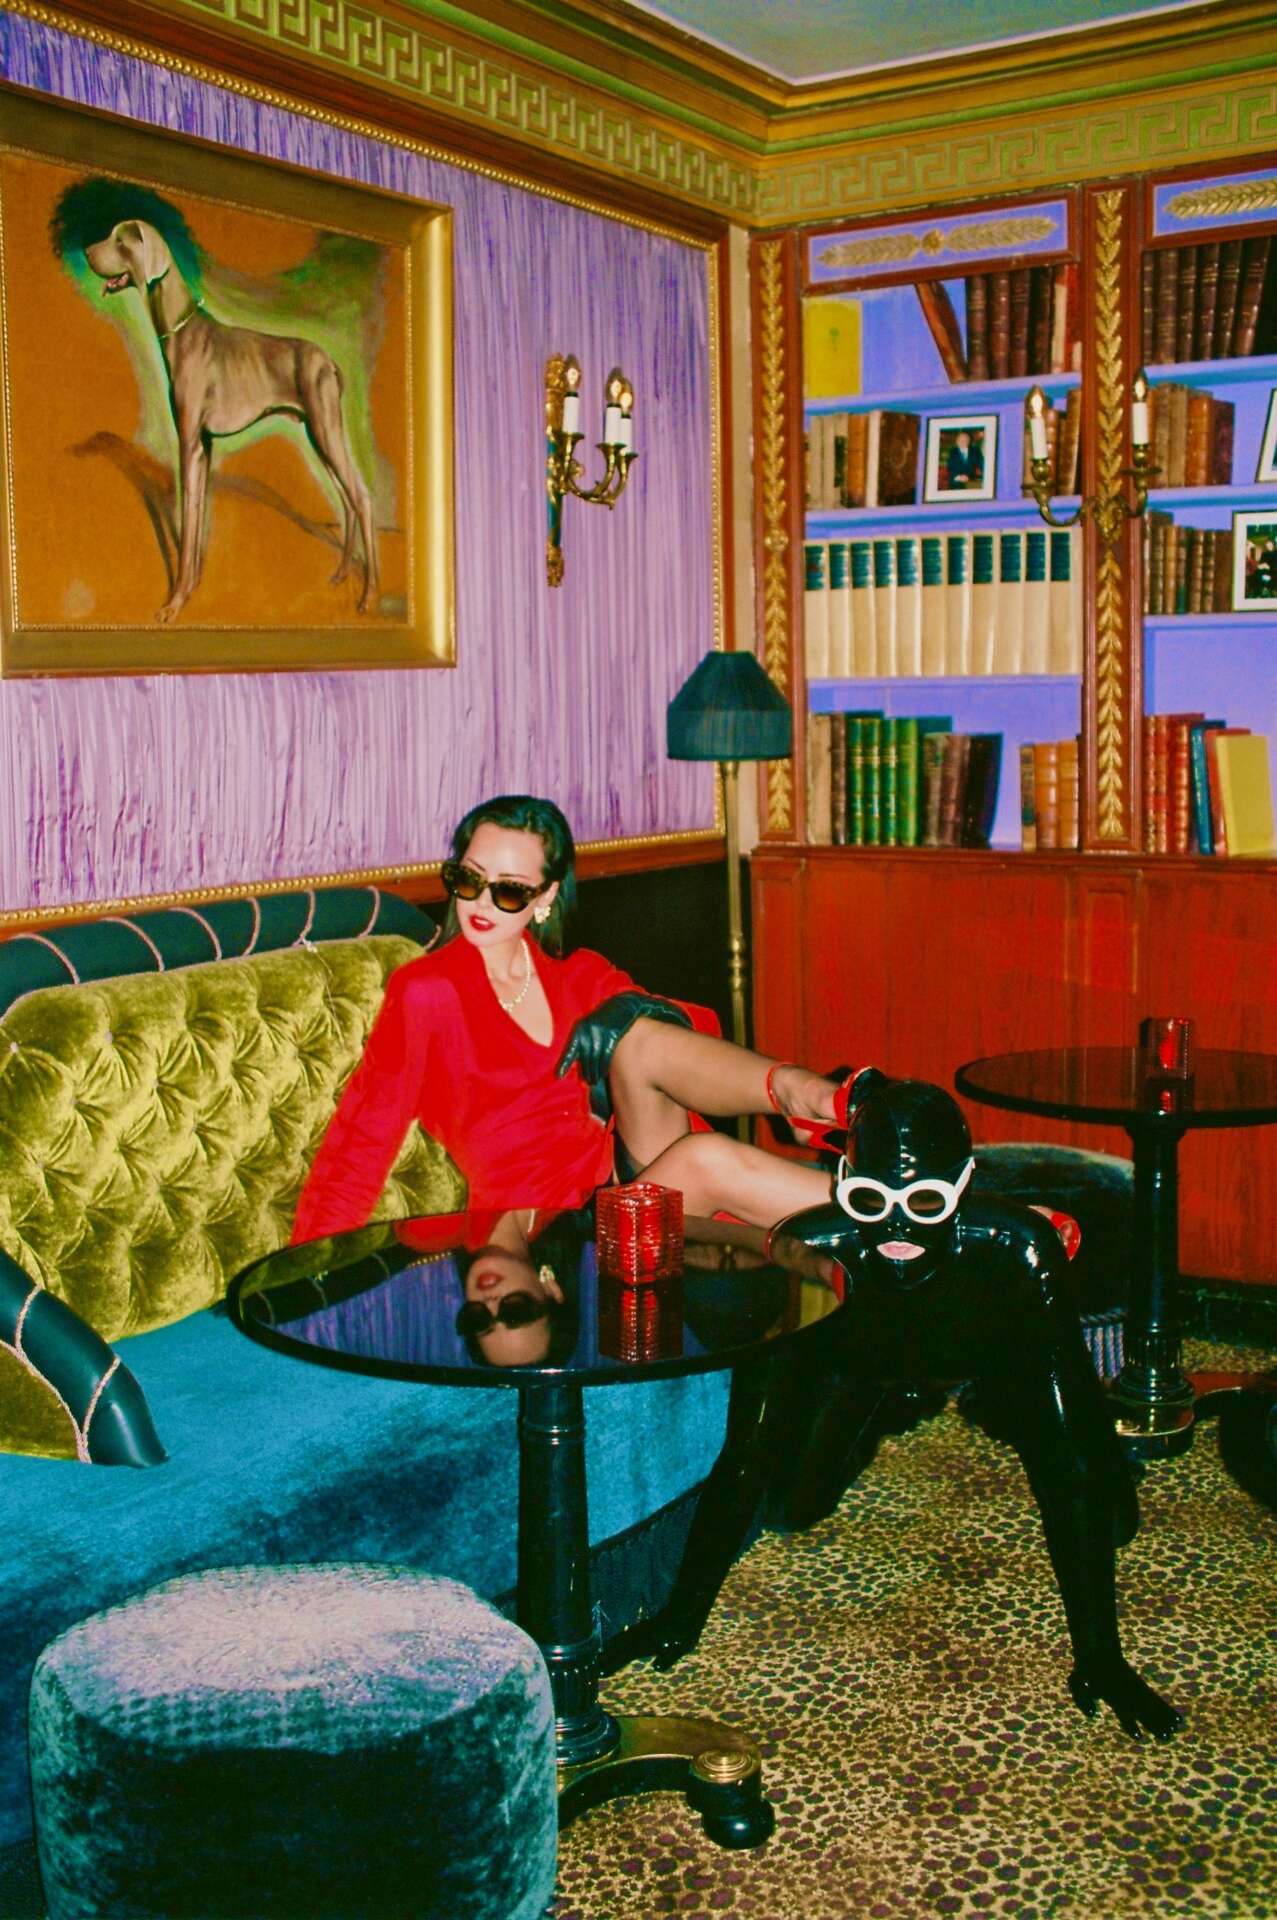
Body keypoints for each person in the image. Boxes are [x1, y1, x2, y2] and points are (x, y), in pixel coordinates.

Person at [632, 1070, 1184, 1742]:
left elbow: (1070, 1452)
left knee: (1106, 1514)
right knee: (789, 1510)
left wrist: (1100, 1657)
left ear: (963, 1185)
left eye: (924, 1201)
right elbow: (748, 1450)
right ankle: (899, 1407)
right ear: (842, 1181)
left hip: (992, 1357)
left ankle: (953, 1398)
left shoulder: (1016, 1247)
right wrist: (681, 1616)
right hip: (862, 1368)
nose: (895, 1224)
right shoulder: (809, 1245)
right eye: (870, 1199)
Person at [291, 794, 842, 1248]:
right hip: (549, 1234)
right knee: (707, 1158)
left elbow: (693, 1035)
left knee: (642, 1033)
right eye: (470, 879)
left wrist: (631, 1012)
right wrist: (305, 1270)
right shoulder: (427, 991)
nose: (482, 903)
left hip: (629, 1180)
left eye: (509, 890)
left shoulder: (577, 976)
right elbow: (362, 1140)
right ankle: (869, 1192)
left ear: (546, 896)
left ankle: (811, 1097)